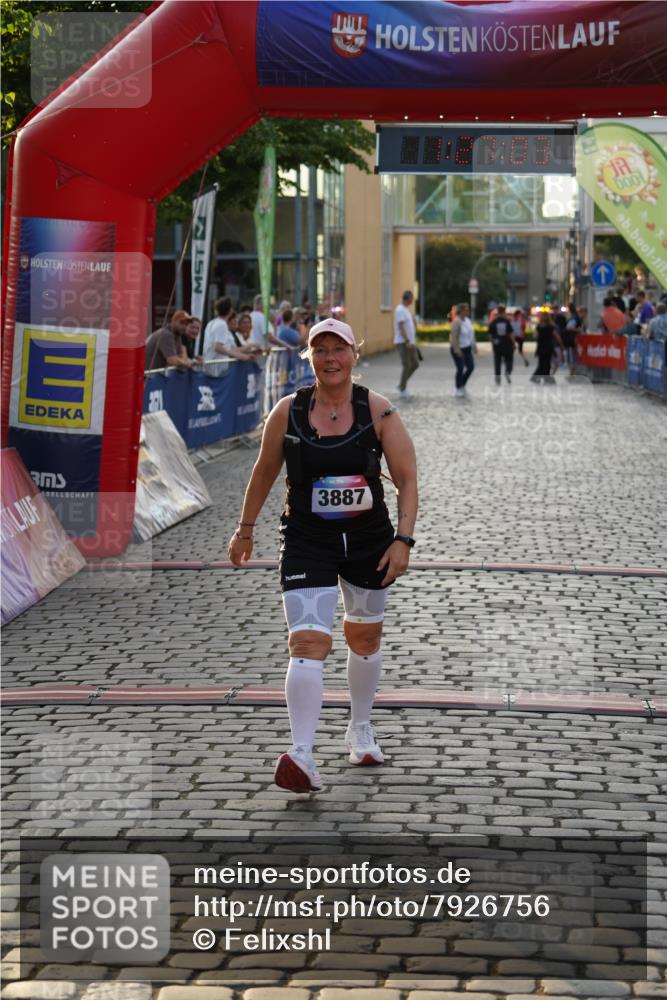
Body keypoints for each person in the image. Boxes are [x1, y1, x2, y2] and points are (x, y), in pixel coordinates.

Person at [227, 316, 418, 794]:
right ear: (308, 357)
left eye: (339, 349)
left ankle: (360, 728)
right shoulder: (288, 412)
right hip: (307, 541)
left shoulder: (378, 411)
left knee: (363, 639)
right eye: (321, 350)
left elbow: (408, 478)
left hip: (370, 543)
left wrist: (404, 540)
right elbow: (263, 472)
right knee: (308, 643)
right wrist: (244, 530)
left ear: (355, 354)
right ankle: (302, 754)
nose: (330, 358)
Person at [393, 290, 419, 401]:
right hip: (403, 342)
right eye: (412, 298)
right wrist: (407, 340)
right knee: (407, 365)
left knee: (415, 364)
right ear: (407, 298)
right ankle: (403, 388)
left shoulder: (406, 310)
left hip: (410, 342)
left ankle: (401, 384)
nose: (413, 300)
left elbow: (410, 325)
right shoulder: (400, 310)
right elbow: (401, 327)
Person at [450, 302, 475, 398]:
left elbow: (471, 335)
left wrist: (474, 347)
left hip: (467, 348)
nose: (468, 311)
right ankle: (458, 388)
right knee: (460, 368)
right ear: (461, 311)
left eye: (468, 310)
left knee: (471, 367)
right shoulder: (456, 322)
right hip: (458, 349)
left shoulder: (468, 321)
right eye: (466, 310)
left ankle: (462, 384)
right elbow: (454, 337)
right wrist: (457, 350)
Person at [531, 311, 561, 384]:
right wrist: (561, 345)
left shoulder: (539, 326)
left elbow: (535, 336)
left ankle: (538, 377)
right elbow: (557, 336)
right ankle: (545, 378)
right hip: (548, 347)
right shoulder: (551, 327)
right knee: (547, 363)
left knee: (541, 363)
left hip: (540, 346)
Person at [488, 304, 515, 385]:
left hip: (497, 344)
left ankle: (497, 378)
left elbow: (490, 335)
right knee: (509, 359)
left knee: (497, 361)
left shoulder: (494, 322)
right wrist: (513, 343)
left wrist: (492, 344)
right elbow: (510, 334)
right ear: (504, 311)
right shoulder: (507, 321)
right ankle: (507, 371)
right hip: (507, 344)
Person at [563, 302, 582, 379]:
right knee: (573, 355)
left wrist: (570, 328)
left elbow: (570, 327)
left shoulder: (573, 317)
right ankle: (572, 373)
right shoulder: (576, 316)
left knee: (571, 356)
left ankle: (572, 373)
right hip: (574, 338)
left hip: (571, 338)